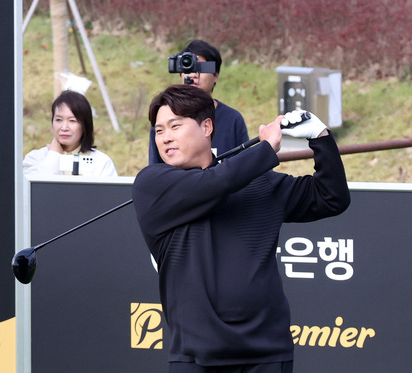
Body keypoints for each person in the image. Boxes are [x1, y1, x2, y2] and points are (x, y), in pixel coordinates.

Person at [133, 84, 350, 372]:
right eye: (159, 130)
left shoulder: (259, 183)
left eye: (175, 126)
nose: (165, 138)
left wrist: (320, 138)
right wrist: (266, 149)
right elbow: (216, 183)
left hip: (266, 354)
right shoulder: (153, 184)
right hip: (194, 359)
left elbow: (331, 198)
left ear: (207, 126)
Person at [149, 39, 249, 164]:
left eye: (201, 67)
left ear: (216, 75)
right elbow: (156, 169)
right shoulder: (164, 119)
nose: (193, 74)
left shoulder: (232, 119)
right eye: (188, 66)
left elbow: (245, 165)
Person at [23, 90, 118, 177]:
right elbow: (41, 190)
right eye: (59, 120)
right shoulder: (35, 158)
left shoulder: (102, 162)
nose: (64, 128)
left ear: (85, 125)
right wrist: (53, 155)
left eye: (72, 121)